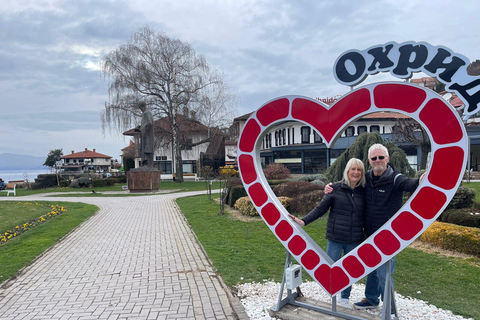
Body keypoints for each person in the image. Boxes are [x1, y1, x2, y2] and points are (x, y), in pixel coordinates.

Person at [325, 144, 425, 313]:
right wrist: (331, 187)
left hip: (388, 236)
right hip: (368, 234)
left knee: (383, 273)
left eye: (381, 157)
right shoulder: (367, 179)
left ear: (387, 159)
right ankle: (371, 299)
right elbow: (349, 184)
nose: (378, 160)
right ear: (370, 161)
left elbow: (408, 184)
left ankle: (390, 308)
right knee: (371, 267)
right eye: (374, 158)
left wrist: (420, 181)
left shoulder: (394, 178)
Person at [290, 158, 366, 309]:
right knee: (330, 267)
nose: (356, 172)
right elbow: (321, 209)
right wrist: (304, 221)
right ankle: (332, 293)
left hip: (354, 238)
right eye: (353, 169)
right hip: (336, 236)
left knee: (349, 269)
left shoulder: (365, 191)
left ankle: (345, 297)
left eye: (359, 170)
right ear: (347, 171)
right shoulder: (335, 188)